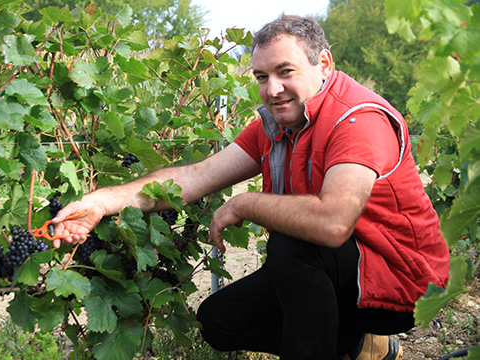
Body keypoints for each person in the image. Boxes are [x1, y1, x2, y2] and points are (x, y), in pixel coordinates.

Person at [52, 14, 450, 360]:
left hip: (405, 281)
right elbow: (194, 177)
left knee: (291, 245)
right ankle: (361, 347)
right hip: (339, 270)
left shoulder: (356, 120)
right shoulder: (276, 125)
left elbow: (332, 224)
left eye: (285, 71)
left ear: (323, 63)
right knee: (221, 321)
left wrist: (244, 203)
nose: (272, 88)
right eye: (262, 77)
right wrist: (101, 201)